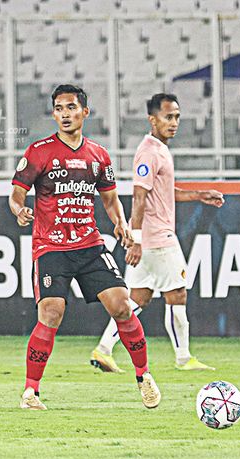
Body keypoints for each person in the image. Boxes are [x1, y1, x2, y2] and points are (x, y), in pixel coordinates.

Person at [9, 84, 161, 410]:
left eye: (71, 108)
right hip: (51, 245)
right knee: (51, 311)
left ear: (84, 112)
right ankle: (31, 391)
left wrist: (121, 224)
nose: (65, 114)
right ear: (54, 114)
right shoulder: (39, 152)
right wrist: (19, 209)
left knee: (122, 305)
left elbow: (109, 199)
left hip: (90, 243)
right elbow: (17, 192)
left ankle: (144, 376)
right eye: (59, 109)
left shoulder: (98, 155)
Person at [90, 93, 224, 374]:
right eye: (168, 117)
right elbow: (139, 197)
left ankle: (103, 349)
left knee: (137, 300)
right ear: (153, 119)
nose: (174, 122)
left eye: (176, 117)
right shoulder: (149, 152)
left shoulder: (159, 149)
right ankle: (184, 357)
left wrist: (199, 195)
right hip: (157, 239)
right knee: (177, 295)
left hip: (150, 239)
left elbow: (161, 193)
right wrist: (136, 241)